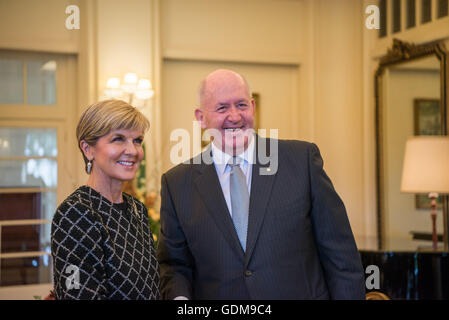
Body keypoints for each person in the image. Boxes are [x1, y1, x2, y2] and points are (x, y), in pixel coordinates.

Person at [157, 69, 365, 300]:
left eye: (242, 105)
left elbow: (341, 257)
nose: (235, 116)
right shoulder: (176, 184)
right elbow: (174, 265)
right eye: (222, 108)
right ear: (201, 118)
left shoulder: (301, 161)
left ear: (253, 108)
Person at [51, 99, 160, 300]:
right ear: (88, 149)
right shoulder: (76, 213)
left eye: (137, 140)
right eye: (118, 139)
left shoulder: (137, 209)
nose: (133, 150)